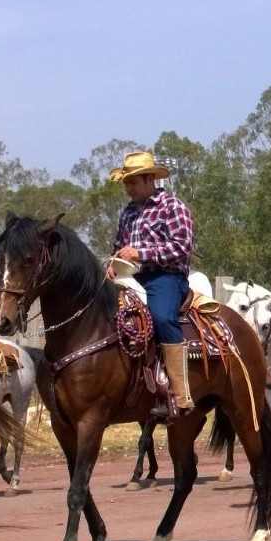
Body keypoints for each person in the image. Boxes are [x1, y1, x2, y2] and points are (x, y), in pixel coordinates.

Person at [107, 151, 195, 418]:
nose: (128, 188)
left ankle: (179, 395)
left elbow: (182, 247)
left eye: (133, 182)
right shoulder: (128, 213)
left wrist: (140, 254)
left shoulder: (172, 207)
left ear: (149, 179)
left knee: (160, 317)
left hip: (166, 277)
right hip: (131, 278)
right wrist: (112, 263)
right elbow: (118, 247)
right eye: (126, 183)